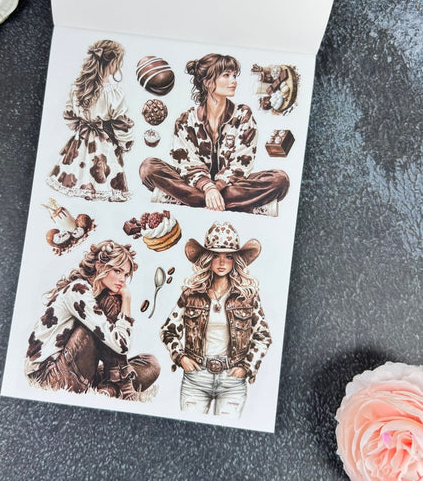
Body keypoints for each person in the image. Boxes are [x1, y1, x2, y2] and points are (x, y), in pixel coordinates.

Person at [139, 53, 289, 216]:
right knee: (148, 167)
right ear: (207, 82)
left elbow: (242, 162)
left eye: (234, 75)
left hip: (230, 184)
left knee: (280, 180)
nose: (234, 81)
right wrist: (207, 186)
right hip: (196, 183)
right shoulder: (186, 120)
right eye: (226, 75)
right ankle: (241, 205)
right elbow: (186, 162)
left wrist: (215, 187)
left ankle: (186, 199)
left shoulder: (242, 115)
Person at [160, 222, 272, 417]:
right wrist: (181, 358)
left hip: (232, 380)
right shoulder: (191, 294)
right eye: (215, 256)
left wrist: (246, 367)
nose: (222, 263)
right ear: (207, 259)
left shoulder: (247, 297)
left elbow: (263, 336)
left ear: (236, 260)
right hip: (196, 379)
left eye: (228, 256)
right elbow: (168, 330)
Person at [25, 240, 160, 400]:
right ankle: (123, 389)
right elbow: (121, 345)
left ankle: (109, 389)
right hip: (49, 376)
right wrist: (126, 299)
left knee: (150, 364)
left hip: (75, 368)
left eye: (125, 274)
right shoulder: (78, 291)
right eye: (117, 271)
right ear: (100, 266)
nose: (122, 279)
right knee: (110, 304)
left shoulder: (95, 295)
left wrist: (125, 298)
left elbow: (117, 347)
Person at [47, 40, 134, 201]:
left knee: (79, 182)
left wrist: (81, 128)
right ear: (113, 63)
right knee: (102, 181)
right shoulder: (113, 92)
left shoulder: (77, 87)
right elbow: (121, 125)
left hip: (79, 142)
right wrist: (125, 144)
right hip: (104, 145)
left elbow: (68, 114)